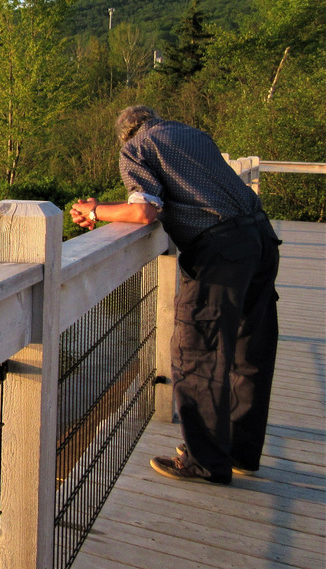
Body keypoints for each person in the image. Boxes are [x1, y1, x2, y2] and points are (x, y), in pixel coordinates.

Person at [70, 106, 280, 485]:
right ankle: (240, 452)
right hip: (260, 238)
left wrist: (96, 210)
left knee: (196, 354)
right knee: (250, 351)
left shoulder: (136, 148)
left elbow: (145, 211)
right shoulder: (193, 134)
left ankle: (204, 461)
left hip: (221, 251)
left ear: (125, 134)